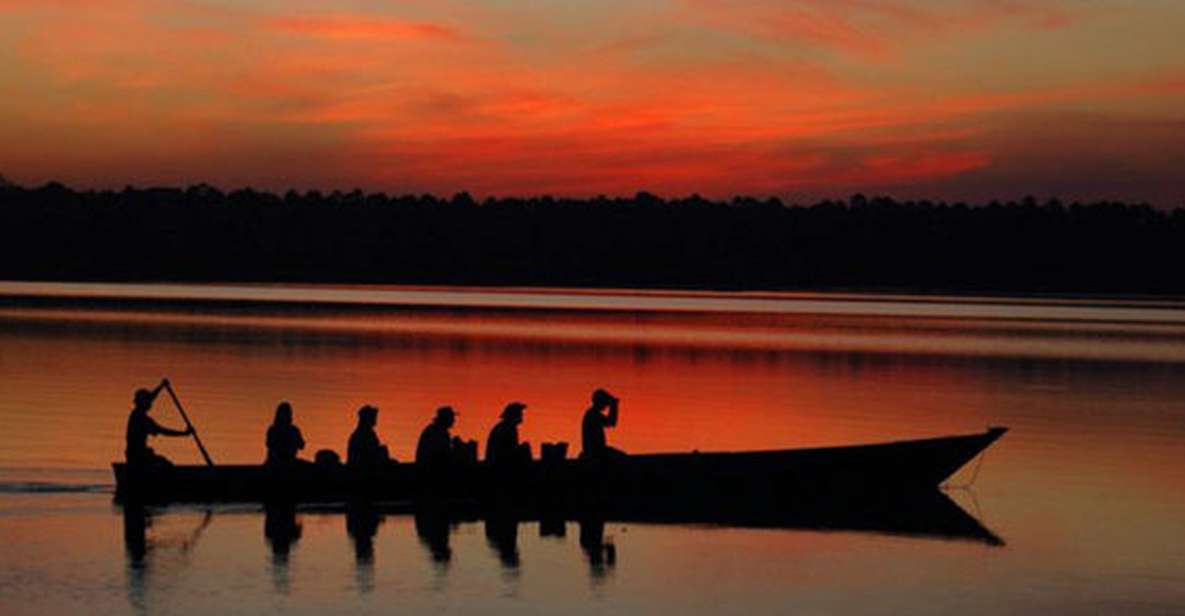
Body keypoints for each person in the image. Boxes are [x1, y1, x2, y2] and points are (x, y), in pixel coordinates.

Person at [125, 380, 193, 468]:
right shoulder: (143, 419)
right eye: (148, 402)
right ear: (144, 403)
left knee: (163, 462)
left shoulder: (135, 414)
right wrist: (184, 433)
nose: (151, 404)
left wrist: (161, 386)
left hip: (134, 455)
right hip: (138, 457)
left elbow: (151, 397)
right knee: (166, 465)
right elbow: (163, 431)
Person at [581, 388, 625, 460]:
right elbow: (611, 422)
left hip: (596, 450)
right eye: (605, 403)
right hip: (595, 451)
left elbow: (611, 423)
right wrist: (614, 406)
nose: (606, 406)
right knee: (622, 458)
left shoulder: (592, 413)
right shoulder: (593, 414)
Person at [486, 402, 531, 469]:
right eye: (520, 413)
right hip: (500, 463)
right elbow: (507, 451)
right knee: (525, 448)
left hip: (500, 461)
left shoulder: (505, 427)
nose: (521, 415)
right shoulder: (507, 428)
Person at [416, 406, 458, 471]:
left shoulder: (434, 429)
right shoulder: (438, 432)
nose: (454, 420)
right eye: (452, 418)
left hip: (428, 464)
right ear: (446, 419)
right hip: (430, 467)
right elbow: (442, 454)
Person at [265, 401, 306, 466]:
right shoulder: (275, 430)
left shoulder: (293, 430)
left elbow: (302, 445)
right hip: (275, 462)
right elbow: (269, 444)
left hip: (288, 462)